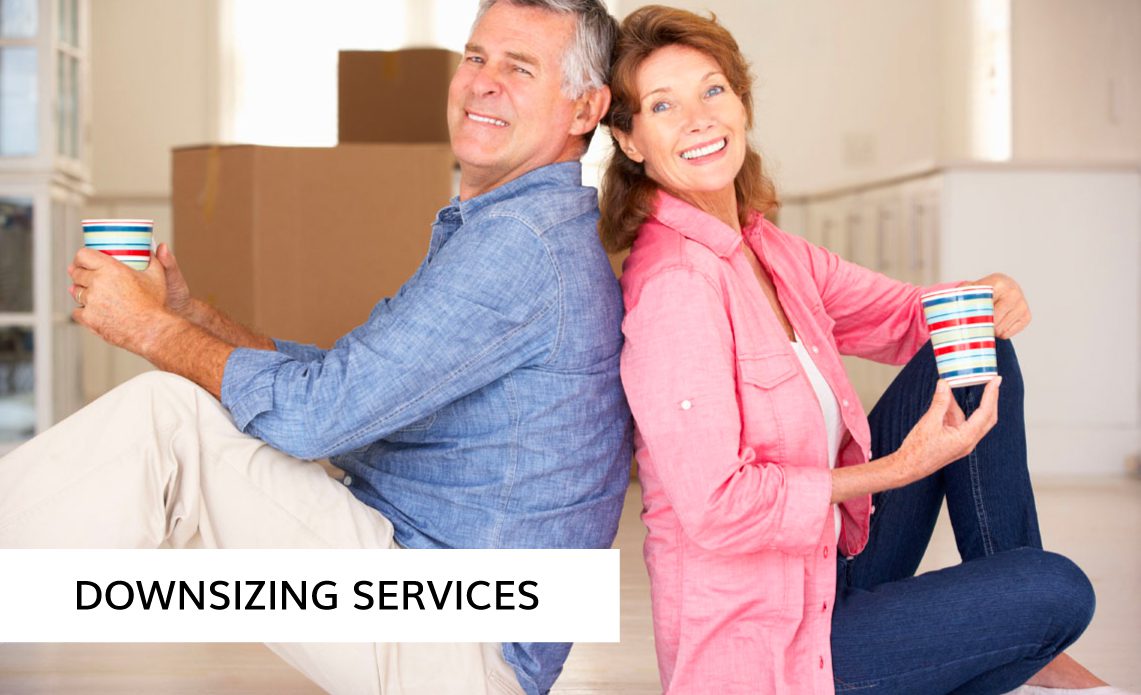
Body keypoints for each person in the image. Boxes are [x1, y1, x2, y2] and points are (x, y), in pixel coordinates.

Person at [0, 1, 631, 693]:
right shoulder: (504, 229)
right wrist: (187, 314)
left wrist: (149, 330)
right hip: (439, 607)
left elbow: (314, 420)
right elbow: (346, 388)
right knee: (187, 406)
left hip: (461, 646)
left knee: (171, 418)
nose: (483, 81)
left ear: (583, 110)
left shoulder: (520, 246)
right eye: (476, 56)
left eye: (519, 68)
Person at [601, 6, 1132, 695]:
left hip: (827, 569)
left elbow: (911, 316)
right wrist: (897, 468)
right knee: (1056, 590)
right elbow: (717, 507)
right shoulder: (675, 284)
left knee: (975, 347)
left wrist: (986, 298)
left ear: (740, 101)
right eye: (662, 105)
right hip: (769, 644)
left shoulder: (767, 250)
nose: (698, 118)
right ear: (630, 139)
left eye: (712, 90)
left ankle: (1027, 653)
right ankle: (1024, 648)